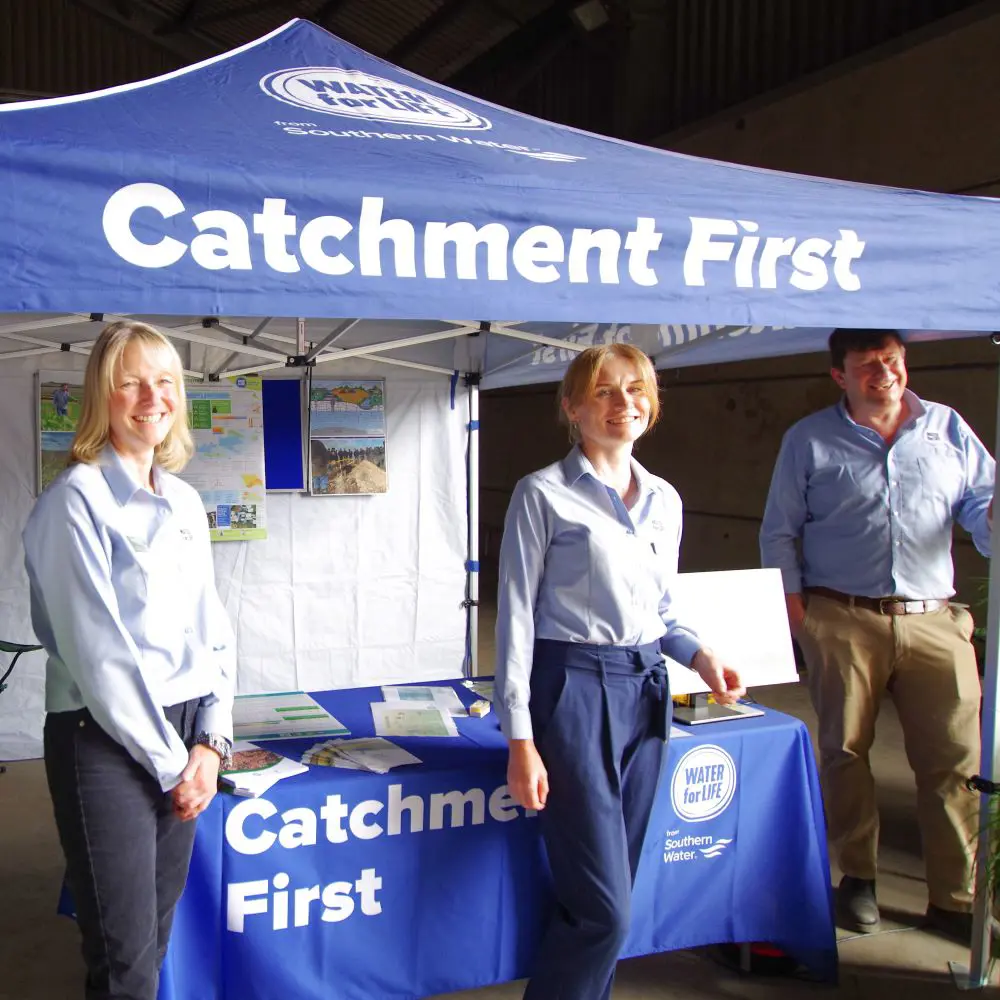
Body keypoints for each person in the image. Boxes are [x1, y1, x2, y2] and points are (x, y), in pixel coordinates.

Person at [494, 343, 744, 1000]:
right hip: (571, 689)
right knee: (606, 909)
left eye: (635, 389)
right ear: (573, 407)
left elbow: (662, 611)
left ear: (652, 405)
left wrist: (699, 654)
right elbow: (515, 621)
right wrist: (519, 737)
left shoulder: (665, 499)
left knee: (604, 896)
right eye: (604, 391)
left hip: (645, 691)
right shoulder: (542, 495)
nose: (622, 403)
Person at [23, 320, 236, 1000]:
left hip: (182, 736)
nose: (152, 396)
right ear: (102, 396)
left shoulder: (184, 501)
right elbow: (99, 657)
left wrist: (211, 739)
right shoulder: (74, 502)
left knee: (157, 938)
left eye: (165, 381)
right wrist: (179, 767)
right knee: (125, 964)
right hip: (103, 740)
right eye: (131, 382)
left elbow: (213, 628)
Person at [759, 327, 994, 942]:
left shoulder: (947, 429)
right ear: (840, 375)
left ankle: (954, 898)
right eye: (866, 365)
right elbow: (779, 530)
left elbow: (983, 516)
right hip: (842, 618)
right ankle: (856, 879)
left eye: (890, 360)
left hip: (934, 619)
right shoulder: (808, 439)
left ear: (904, 361)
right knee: (846, 751)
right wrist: (797, 615)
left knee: (955, 762)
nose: (882, 373)